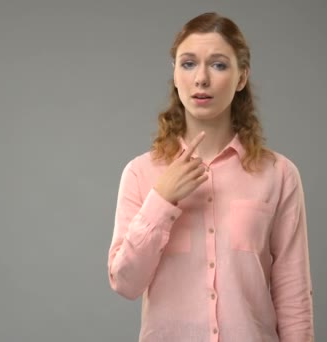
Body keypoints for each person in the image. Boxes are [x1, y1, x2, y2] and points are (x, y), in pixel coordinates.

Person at [107, 12, 314, 342]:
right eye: (188, 64)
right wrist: (160, 201)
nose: (201, 79)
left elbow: (293, 295)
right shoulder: (140, 174)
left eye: (218, 65)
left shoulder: (279, 175)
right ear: (174, 75)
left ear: (242, 77)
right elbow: (125, 283)